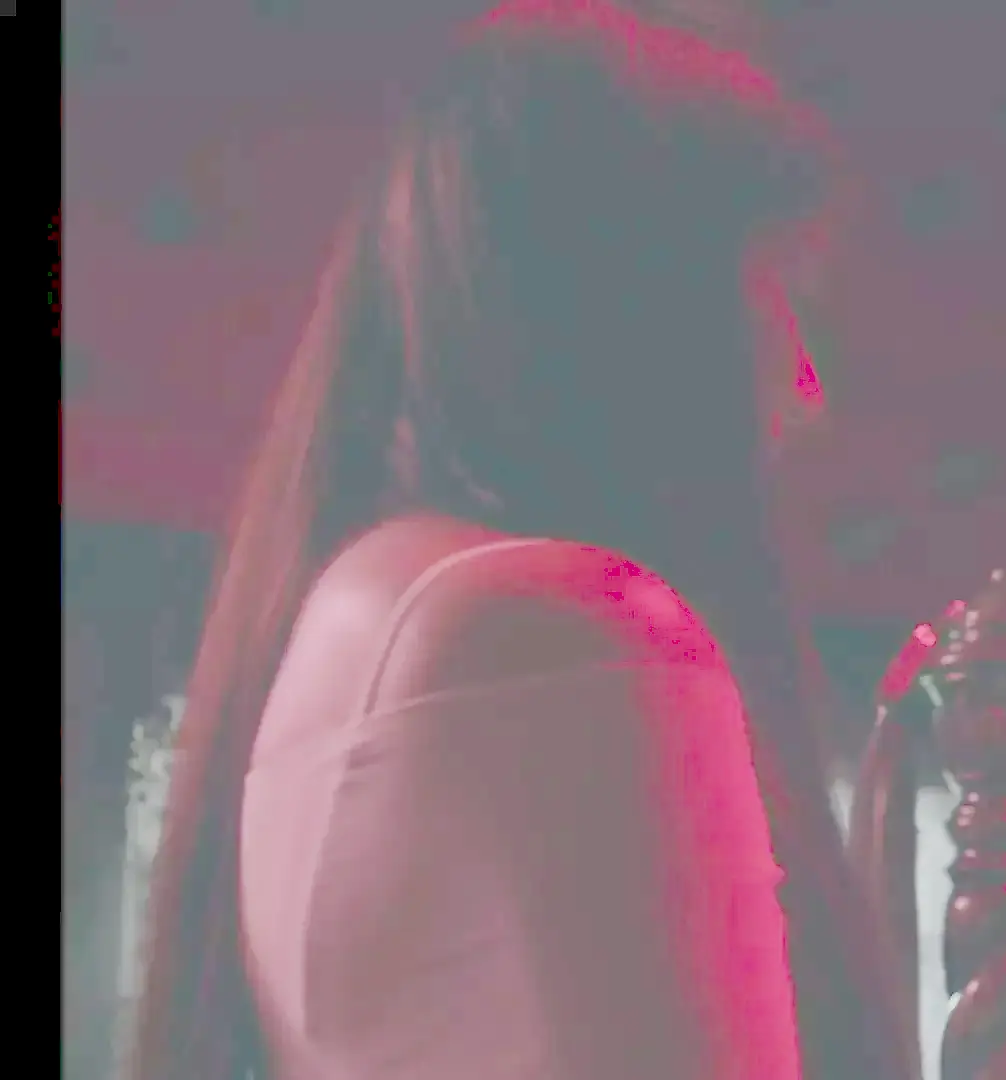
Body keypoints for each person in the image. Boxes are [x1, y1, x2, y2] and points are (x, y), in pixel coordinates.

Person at [127, 3, 915, 1078]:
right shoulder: (555, 628)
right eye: (773, 291)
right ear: (639, 303)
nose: (805, 386)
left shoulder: (354, 600)